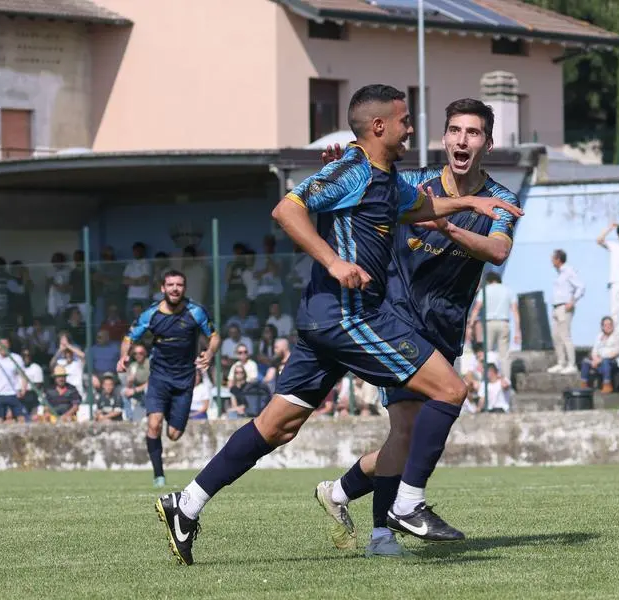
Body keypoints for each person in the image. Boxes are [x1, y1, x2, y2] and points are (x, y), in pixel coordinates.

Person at [155, 86, 517, 566]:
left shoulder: (387, 178)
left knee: (277, 426)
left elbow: (418, 208)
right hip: (351, 315)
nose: (413, 128)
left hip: (327, 321)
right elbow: (287, 209)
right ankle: (406, 505)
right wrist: (332, 260)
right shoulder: (355, 168)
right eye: (406, 120)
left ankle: (187, 504)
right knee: (450, 390)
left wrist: (474, 208)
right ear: (380, 126)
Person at [312, 98, 522, 557]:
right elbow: (365, 182)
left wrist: (447, 228)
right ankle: (388, 529)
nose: (461, 140)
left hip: (445, 327)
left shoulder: (501, 199)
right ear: (444, 138)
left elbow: (498, 250)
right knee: (407, 427)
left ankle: (340, 493)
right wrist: (339, 168)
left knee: (404, 439)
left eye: (472, 133)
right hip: (397, 318)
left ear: (488, 142)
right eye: (454, 131)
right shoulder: (411, 184)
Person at [118, 269, 218, 489]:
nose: (175, 289)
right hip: (159, 378)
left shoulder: (196, 312)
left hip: (184, 380)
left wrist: (209, 353)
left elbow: (214, 336)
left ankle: (172, 420)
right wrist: (124, 355)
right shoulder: (151, 314)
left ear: (184, 288)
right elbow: (128, 337)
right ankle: (158, 475)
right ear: (162, 288)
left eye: (179, 285)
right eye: (170, 285)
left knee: (173, 435)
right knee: (153, 425)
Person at [0, 338, 28, 423]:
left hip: (14, 393)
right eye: (1, 344)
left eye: (5, 343)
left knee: (21, 418)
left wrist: (23, 389)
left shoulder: (16, 358)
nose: (3, 346)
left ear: (8, 345)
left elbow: (23, 375)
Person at [579, 316, 619, 393]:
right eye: (606, 325)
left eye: (610, 324)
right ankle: (584, 384)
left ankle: (607, 385)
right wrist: (595, 359)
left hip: (612, 361)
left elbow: (617, 351)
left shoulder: (617, 336)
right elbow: (594, 350)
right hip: (599, 360)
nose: (608, 326)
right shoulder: (599, 336)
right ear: (602, 327)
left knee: (605, 361)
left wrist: (600, 360)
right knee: (585, 361)